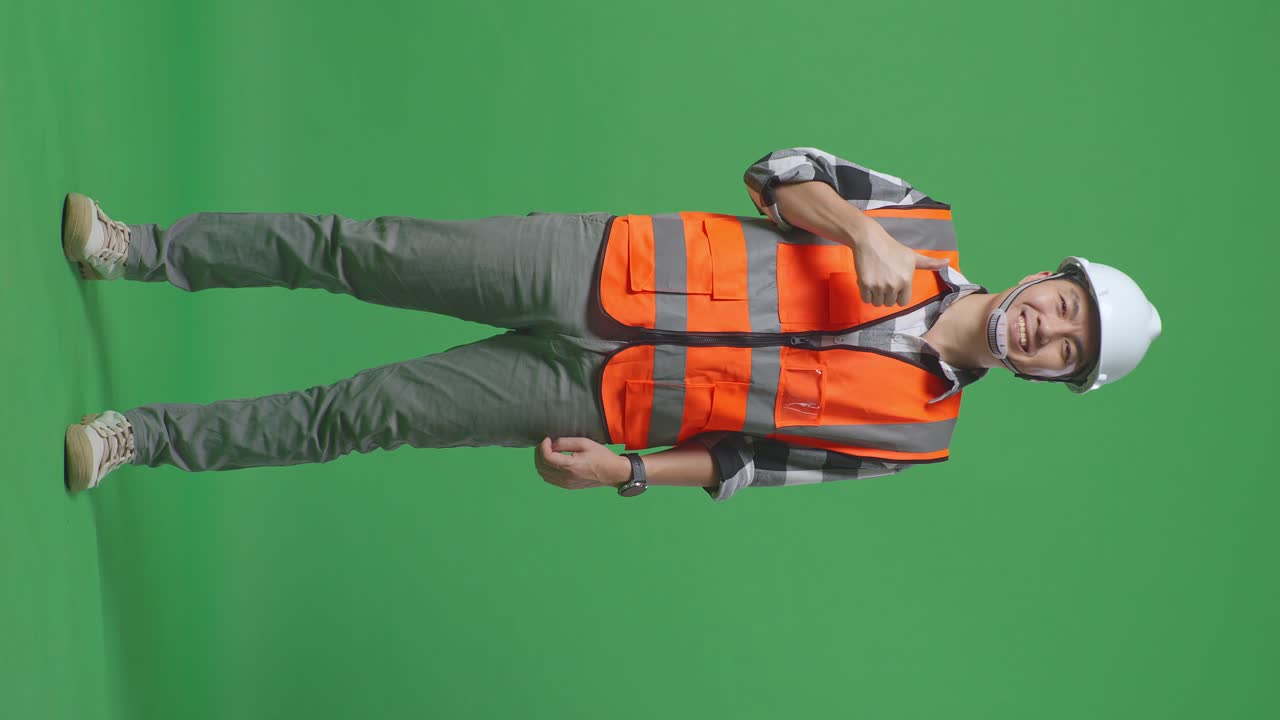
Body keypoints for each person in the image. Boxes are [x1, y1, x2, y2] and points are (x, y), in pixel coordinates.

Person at [61, 147, 1162, 501]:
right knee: (367, 250)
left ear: (1050, 378)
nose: (1046, 332)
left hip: (604, 401)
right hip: (595, 265)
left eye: (1066, 351)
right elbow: (775, 172)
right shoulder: (918, 219)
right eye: (1062, 308)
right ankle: (138, 250)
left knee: (368, 414)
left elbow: (754, 464)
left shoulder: (916, 438)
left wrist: (628, 476)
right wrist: (866, 238)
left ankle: (138, 439)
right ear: (1041, 277)